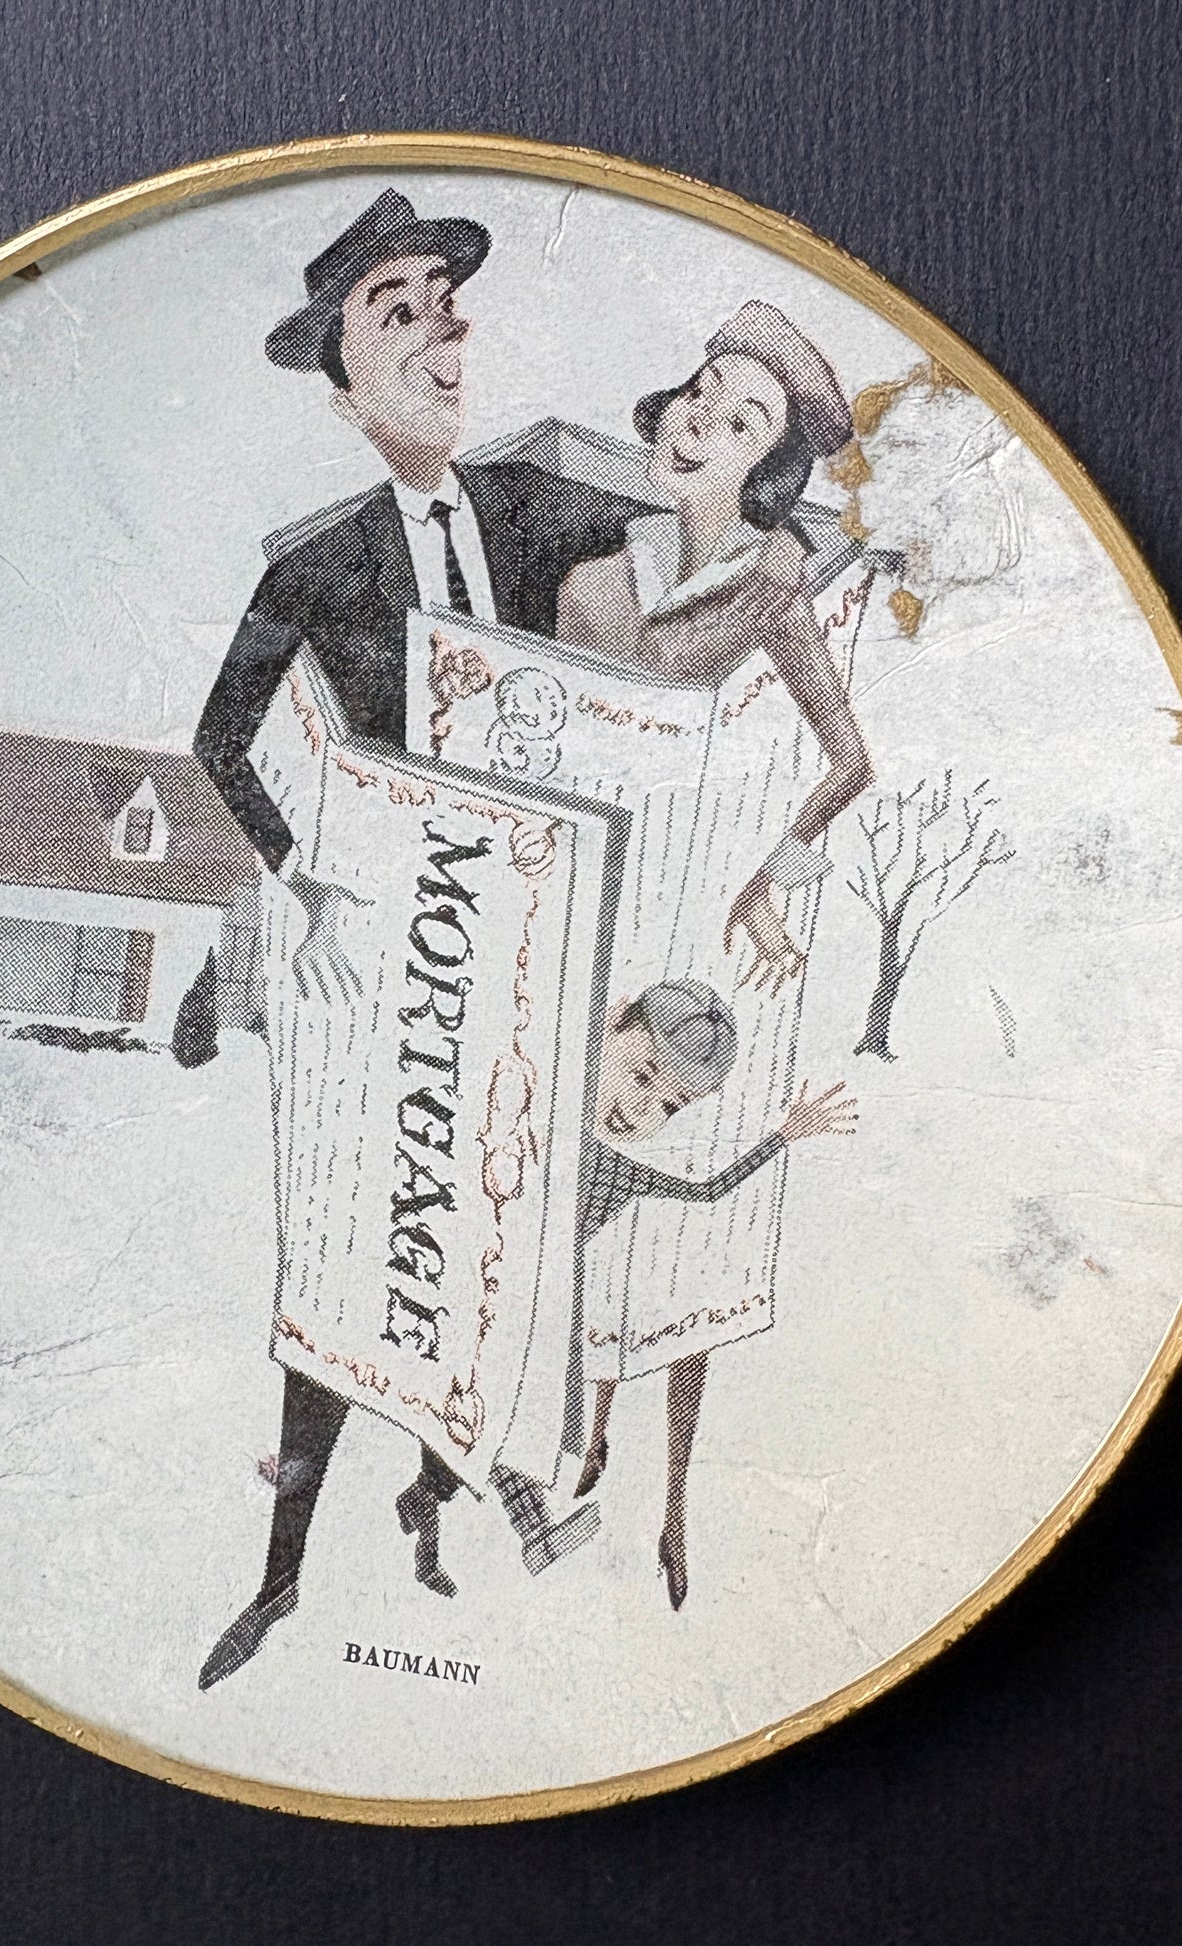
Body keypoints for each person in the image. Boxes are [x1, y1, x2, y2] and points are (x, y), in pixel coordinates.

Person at [193, 189, 661, 1690]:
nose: (438, 326)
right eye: (395, 310)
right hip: (395, 951)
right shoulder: (317, 568)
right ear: (344, 387)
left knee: (509, 1219)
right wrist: (306, 879)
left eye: (444, 302)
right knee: (362, 1249)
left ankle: (459, 1483)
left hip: (527, 944)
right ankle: (281, 1574)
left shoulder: (528, 507)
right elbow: (219, 739)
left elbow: (658, 538)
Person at [554, 300, 874, 991]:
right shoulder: (591, 585)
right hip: (563, 886)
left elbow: (851, 764)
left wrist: (761, 881)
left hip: (680, 906)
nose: (697, 420)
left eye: (739, 425)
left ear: (766, 473)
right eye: (701, 392)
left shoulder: (770, 587)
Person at [573, 982, 858, 1609]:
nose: (640, 1109)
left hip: (637, 1267)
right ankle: (595, 1444)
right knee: (612, 1318)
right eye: (642, 1076)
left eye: (668, 1104)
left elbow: (707, 1191)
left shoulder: (627, 1166)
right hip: (554, 1291)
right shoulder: (560, 1103)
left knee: (665, 1318)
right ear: (610, 1023)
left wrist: (785, 1134)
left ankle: (661, 1506)